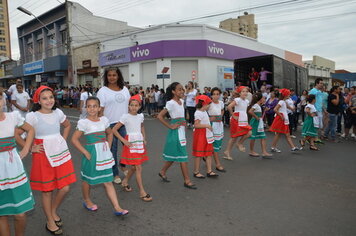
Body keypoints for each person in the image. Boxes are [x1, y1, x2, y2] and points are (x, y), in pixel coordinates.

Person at [25, 86, 76, 235]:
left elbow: (67, 125)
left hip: (59, 152)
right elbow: (18, 133)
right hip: (42, 154)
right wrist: (29, 148)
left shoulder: (58, 112)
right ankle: (49, 220)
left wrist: (62, 140)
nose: (49, 101)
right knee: (47, 190)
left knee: (65, 187)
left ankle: (53, 210)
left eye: (51, 97)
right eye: (44, 98)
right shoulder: (33, 116)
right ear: (38, 100)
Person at [71, 97, 128, 216]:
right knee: (88, 180)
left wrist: (109, 146)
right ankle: (87, 200)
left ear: (99, 108)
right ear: (86, 108)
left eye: (94, 106)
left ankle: (117, 207)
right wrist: (85, 152)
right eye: (89, 106)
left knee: (108, 180)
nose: (92, 109)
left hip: (104, 154)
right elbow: (74, 139)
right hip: (91, 154)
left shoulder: (104, 120)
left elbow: (110, 133)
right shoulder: (83, 122)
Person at [0, 89, 35, 236]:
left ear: (2, 100)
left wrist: (26, 149)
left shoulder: (13, 117)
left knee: (20, 213)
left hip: (14, 170)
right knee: (2, 214)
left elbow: (30, 129)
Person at [112, 95, 152, 202]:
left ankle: (125, 181)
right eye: (132, 105)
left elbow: (142, 126)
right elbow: (114, 130)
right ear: (128, 106)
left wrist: (144, 137)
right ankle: (142, 192)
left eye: (136, 105)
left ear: (139, 106)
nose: (134, 107)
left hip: (139, 142)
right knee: (138, 168)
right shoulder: (125, 117)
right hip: (130, 143)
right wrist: (124, 140)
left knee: (134, 167)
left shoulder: (140, 116)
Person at [157, 82, 196, 189]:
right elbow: (160, 116)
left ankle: (162, 171)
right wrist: (170, 126)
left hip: (182, 131)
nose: (182, 91)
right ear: (173, 91)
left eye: (182, 89)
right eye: (179, 89)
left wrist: (185, 118)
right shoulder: (170, 103)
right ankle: (187, 181)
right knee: (183, 156)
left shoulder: (182, 101)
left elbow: (181, 115)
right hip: (176, 133)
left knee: (175, 155)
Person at [97, 67, 131, 185]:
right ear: (106, 77)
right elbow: (100, 110)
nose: (112, 77)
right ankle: (114, 173)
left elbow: (129, 106)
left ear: (118, 76)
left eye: (114, 75)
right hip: (110, 124)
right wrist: (101, 126)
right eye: (109, 75)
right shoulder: (103, 91)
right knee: (113, 150)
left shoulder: (125, 89)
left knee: (128, 147)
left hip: (124, 123)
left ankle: (123, 165)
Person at [192, 95, 218, 179]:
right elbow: (196, 125)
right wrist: (207, 125)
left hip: (206, 134)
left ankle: (209, 171)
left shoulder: (203, 112)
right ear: (204, 104)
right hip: (201, 134)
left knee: (208, 153)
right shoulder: (198, 113)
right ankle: (196, 172)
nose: (209, 106)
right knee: (199, 154)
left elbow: (204, 120)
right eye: (208, 104)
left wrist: (210, 120)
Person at [223, 86, 252, 160]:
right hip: (237, 118)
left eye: (246, 91)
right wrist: (233, 115)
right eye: (243, 91)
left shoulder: (247, 101)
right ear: (239, 93)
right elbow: (229, 107)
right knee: (234, 137)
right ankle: (227, 151)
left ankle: (239, 143)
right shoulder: (237, 99)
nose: (245, 93)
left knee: (249, 133)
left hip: (243, 119)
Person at [248, 92, 273, 158]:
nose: (264, 99)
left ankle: (264, 152)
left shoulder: (258, 106)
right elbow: (250, 111)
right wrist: (256, 117)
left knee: (263, 137)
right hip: (255, 122)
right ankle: (251, 151)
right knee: (253, 137)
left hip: (259, 122)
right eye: (263, 98)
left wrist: (265, 110)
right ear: (260, 99)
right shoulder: (256, 105)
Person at [207, 88, 225, 172]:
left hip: (219, 125)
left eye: (218, 94)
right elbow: (202, 111)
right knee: (215, 145)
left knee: (218, 143)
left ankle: (206, 155)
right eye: (214, 94)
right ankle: (218, 164)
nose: (216, 95)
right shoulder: (209, 103)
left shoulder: (221, 103)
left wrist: (221, 115)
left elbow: (222, 110)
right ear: (211, 95)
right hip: (212, 126)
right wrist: (209, 119)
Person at [309, 78, 324, 142]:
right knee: (316, 125)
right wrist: (312, 110)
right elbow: (309, 100)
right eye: (320, 83)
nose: (322, 85)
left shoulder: (320, 91)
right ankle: (313, 138)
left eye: (322, 83)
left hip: (320, 110)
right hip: (315, 110)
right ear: (316, 83)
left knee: (319, 125)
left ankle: (314, 138)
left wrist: (324, 109)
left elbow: (320, 101)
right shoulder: (313, 91)